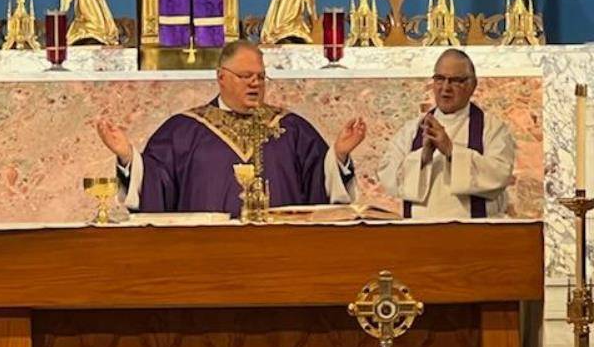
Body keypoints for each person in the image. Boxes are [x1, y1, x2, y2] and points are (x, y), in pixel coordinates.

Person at [97, 39, 366, 216]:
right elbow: (155, 184)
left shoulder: (293, 130)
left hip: (282, 257)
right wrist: (127, 156)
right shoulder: (183, 131)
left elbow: (321, 187)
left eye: (260, 77)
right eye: (245, 76)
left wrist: (339, 155)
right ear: (221, 77)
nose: (255, 83)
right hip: (207, 259)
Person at [379, 49, 515, 219]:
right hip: (418, 235)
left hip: (475, 236)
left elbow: (499, 175)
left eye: (456, 81)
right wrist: (423, 156)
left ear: (473, 85)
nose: (445, 88)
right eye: (440, 79)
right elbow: (388, 176)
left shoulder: (493, 129)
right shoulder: (412, 130)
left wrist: (451, 150)